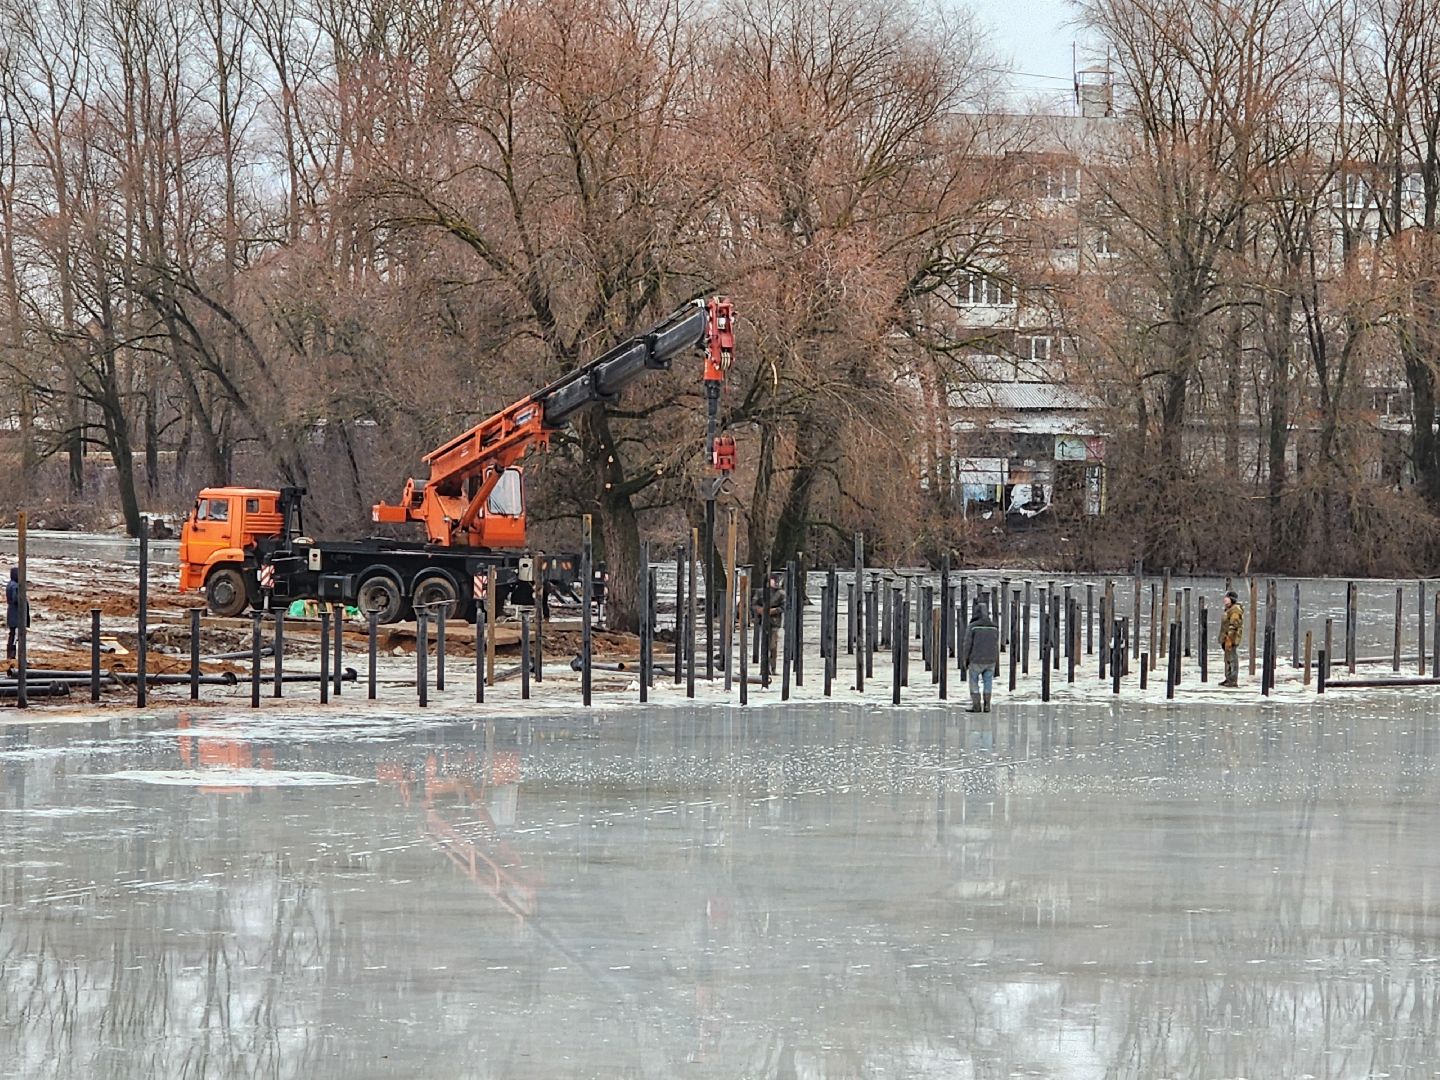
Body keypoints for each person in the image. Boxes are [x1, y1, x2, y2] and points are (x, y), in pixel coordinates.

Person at [961, 599, 1000, 713]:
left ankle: (976, 705)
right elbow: (995, 644)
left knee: (973, 681)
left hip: (976, 659)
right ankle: (987, 705)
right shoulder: (994, 626)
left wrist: (965, 660)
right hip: (991, 660)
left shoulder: (973, 626)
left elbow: (967, 644)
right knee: (988, 682)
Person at [750, 572, 786, 680]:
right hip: (763, 621)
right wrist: (759, 610)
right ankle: (763, 668)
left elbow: (784, 607)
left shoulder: (781, 594)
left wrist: (773, 610)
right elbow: (753, 604)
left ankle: (773, 667)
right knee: (764, 645)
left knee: (773, 645)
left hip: (775, 621)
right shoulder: (760, 592)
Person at [1219, 590, 1243, 687]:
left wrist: (1230, 638)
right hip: (1226, 637)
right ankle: (1228, 678)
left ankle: (1233, 679)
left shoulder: (1235, 610)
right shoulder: (1228, 609)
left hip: (1231, 638)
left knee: (1232, 658)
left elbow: (1234, 625)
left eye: (1227, 597)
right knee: (1227, 658)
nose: (1225, 599)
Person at [5, 567, 19, 661]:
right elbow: (16, 599)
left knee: (12, 634)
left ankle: (10, 654)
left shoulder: (10, 584)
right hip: (16, 613)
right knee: (15, 635)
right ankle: (12, 655)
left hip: (11, 612)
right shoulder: (15, 586)